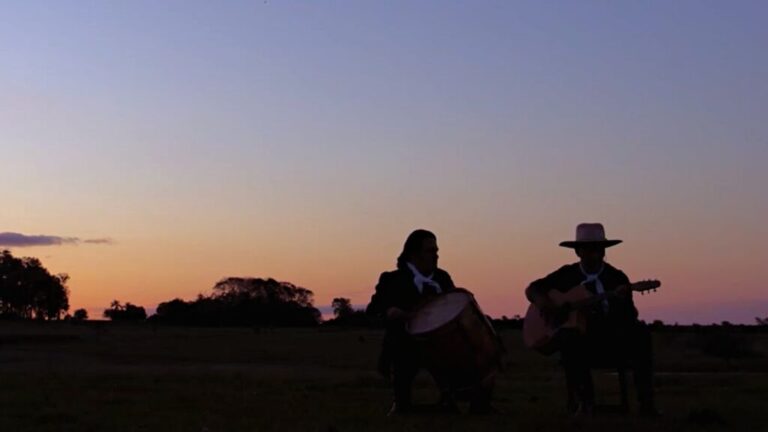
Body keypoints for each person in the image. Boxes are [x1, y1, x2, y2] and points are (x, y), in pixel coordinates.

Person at [525, 223, 659, 416]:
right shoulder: (566, 275)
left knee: (641, 332)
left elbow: (630, 317)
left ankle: (647, 405)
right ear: (578, 252)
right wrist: (545, 304)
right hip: (579, 342)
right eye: (588, 249)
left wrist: (617, 303)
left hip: (610, 338)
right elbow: (532, 289)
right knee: (570, 336)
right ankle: (585, 402)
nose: (594, 254)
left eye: (599, 249)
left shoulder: (617, 277)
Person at [367, 229, 494, 415]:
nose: (436, 256)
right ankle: (402, 403)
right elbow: (373, 310)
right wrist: (389, 311)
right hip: (406, 342)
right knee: (403, 350)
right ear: (413, 253)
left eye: (436, 251)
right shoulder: (392, 279)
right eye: (430, 251)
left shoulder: (442, 277)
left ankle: (474, 403)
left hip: (445, 345)